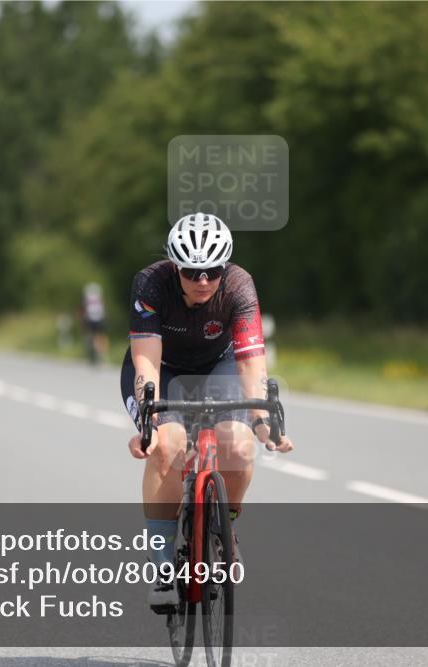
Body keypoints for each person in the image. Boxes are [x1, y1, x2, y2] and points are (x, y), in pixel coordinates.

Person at [119, 213, 294, 609]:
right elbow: (146, 361)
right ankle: (163, 563)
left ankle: (223, 532)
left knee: (238, 442)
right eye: (193, 272)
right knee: (169, 444)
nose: (202, 282)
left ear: (224, 268)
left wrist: (263, 422)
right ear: (176, 267)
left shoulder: (238, 286)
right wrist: (150, 422)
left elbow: (251, 363)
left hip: (220, 364)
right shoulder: (151, 283)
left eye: (211, 271)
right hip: (162, 366)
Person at [81, 282, 108, 364]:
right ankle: (102, 352)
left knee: (91, 335)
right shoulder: (99, 298)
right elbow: (103, 309)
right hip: (99, 319)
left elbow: (84, 309)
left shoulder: (87, 299)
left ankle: (94, 352)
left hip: (90, 319)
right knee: (100, 335)